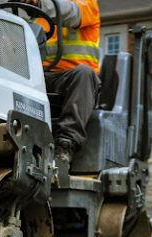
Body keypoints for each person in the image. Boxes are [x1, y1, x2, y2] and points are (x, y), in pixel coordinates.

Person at [14, 0, 101, 172]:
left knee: (84, 73)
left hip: (74, 82)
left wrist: (39, 3)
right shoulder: (36, 16)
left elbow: (71, 13)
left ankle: (65, 146)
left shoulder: (87, 4)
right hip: (42, 78)